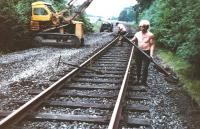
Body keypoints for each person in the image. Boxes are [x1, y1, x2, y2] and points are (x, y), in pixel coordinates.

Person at [131, 19, 155, 86]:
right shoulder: (137, 34)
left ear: (148, 27)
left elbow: (152, 45)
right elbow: (133, 40)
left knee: (145, 68)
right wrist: (128, 40)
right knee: (138, 66)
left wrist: (151, 54)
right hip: (138, 52)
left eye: (145, 26)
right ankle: (138, 79)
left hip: (146, 52)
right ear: (140, 26)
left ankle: (143, 82)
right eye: (142, 26)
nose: (143, 28)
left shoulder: (151, 35)